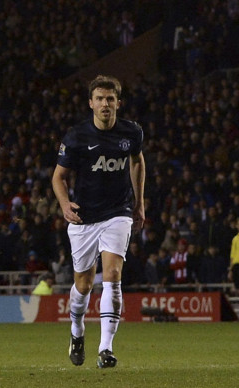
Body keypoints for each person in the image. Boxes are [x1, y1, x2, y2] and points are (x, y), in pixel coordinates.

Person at [52, 75, 145, 369]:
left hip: (118, 213)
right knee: (83, 284)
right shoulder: (77, 136)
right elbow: (58, 177)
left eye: (110, 99)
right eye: (100, 99)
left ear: (118, 102)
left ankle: (106, 348)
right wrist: (65, 204)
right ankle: (77, 331)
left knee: (113, 275)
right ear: (91, 103)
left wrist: (139, 204)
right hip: (84, 217)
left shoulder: (131, 132)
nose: (105, 104)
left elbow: (137, 162)